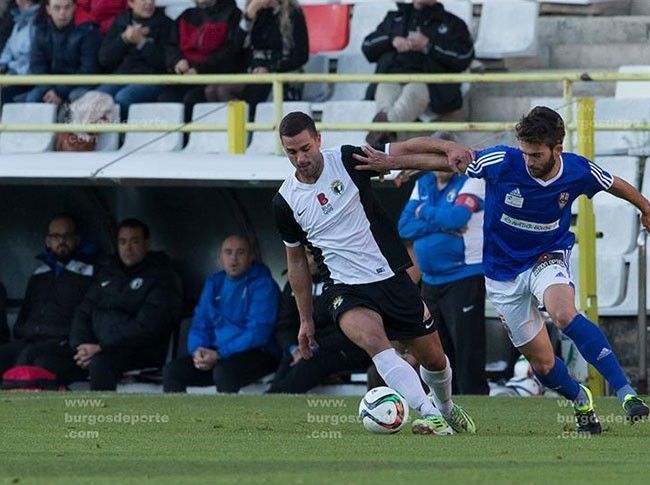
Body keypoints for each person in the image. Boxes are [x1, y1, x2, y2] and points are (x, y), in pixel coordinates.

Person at [353, 106, 650, 434]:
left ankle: (627, 394)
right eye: (525, 152)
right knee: (542, 364)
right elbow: (446, 162)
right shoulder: (503, 161)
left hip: (546, 256)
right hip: (502, 274)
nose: (529, 160)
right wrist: (391, 162)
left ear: (558, 149)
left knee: (564, 313)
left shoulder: (578, 171)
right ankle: (580, 399)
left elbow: (615, 184)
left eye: (537, 154)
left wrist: (645, 207)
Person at [271, 111, 475, 435]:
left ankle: (447, 408)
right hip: (343, 287)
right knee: (374, 341)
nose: (300, 158)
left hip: (390, 277)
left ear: (318, 140)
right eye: (291, 152)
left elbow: (403, 151)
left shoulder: (348, 160)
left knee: (434, 360)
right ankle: (429, 412)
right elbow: (295, 262)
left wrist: (447, 151)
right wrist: (306, 319)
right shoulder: (285, 202)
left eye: (305, 148)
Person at [398, 167, 489, 395]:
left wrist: (423, 211)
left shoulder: (471, 181)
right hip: (430, 281)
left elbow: (457, 217)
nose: (442, 166)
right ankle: (447, 406)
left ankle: (477, 402)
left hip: (464, 275)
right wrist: (443, 222)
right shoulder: (424, 183)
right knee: (439, 350)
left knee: (467, 349)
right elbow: (404, 226)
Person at [70, 218, 182, 391]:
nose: (127, 248)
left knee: (101, 363)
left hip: (141, 351)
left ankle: (101, 416)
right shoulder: (108, 272)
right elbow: (83, 311)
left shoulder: (163, 277)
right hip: (95, 347)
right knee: (43, 358)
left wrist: (101, 347)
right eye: (122, 242)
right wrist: (81, 346)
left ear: (147, 244)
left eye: (134, 241)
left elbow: (148, 327)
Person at [163, 235, 280, 393]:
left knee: (224, 372)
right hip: (217, 354)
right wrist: (198, 350)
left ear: (251, 256)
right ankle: (179, 417)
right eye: (228, 252)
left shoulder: (263, 284)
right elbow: (200, 322)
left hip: (258, 353)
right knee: (173, 371)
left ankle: (226, 418)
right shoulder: (214, 283)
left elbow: (258, 332)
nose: (234, 259)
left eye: (240, 252)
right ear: (221, 257)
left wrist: (220, 354)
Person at [362, 0, 473, 146]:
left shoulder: (452, 22)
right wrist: (391, 41)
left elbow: (463, 58)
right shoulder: (395, 18)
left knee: (411, 92)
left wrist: (428, 45)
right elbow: (367, 47)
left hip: (429, 82)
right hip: (392, 76)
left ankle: (377, 140)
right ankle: (383, 139)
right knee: (384, 93)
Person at [0, 215, 94, 384]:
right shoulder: (39, 275)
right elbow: (23, 315)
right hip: (30, 340)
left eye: (66, 236)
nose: (61, 241)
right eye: (56, 237)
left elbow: (89, 319)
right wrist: (25, 330)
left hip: (63, 344)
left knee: (30, 359)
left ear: (77, 239)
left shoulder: (89, 273)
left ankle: (18, 409)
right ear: (48, 241)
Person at [268, 246, 370, 394]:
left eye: (309, 254)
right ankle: (271, 401)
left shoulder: (342, 281)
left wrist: (314, 347)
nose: (305, 260)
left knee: (310, 362)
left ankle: (275, 400)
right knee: (288, 359)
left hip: (344, 350)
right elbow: (284, 325)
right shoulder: (293, 284)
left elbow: (350, 327)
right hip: (305, 348)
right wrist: (293, 348)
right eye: (300, 254)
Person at [204, 0, 308, 113]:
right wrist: (247, 17)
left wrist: (270, 68)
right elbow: (235, 48)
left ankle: (245, 126)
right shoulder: (256, 13)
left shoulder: (293, 14)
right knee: (211, 90)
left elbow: (301, 56)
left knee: (224, 91)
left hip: (281, 71)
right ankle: (231, 126)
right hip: (254, 71)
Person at [160, 0, 246, 121]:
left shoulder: (233, 15)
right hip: (185, 77)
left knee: (191, 99)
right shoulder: (187, 15)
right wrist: (177, 61)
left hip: (214, 77)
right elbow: (171, 45)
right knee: (165, 98)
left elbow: (230, 51)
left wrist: (199, 69)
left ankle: (190, 139)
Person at [96, 0, 173, 119]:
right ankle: (82, 136)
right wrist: (124, 39)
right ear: (131, 3)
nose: (149, 3)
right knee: (95, 98)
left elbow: (165, 63)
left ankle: (122, 136)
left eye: (152, 0)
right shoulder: (120, 21)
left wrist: (142, 42)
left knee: (123, 98)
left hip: (152, 79)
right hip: (121, 77)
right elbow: (104, 58)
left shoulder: (166, 24)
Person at [25, 0, 101, 104]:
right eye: (57, 8)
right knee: (33, 98)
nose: (62, 13)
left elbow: (88, 70)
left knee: (76, 97)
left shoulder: (88, 31)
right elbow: (36, 67)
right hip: (50, 86)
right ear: (48, 9)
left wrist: (59, 92)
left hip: (79, 85)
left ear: (74, 7)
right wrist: (49, 89)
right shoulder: (40, 31)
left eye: (67, 7)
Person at [0, 0, 40, 104]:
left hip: (29, 78)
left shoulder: (38, 21)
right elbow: (8, 50)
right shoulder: (17, 21)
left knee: (5, 93)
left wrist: (11, 78)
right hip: (13, 75)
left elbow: (31, 56)